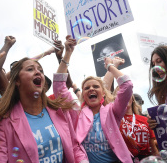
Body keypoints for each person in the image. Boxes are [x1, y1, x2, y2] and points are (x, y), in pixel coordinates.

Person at [53, 35, 134, 163]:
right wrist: (67, 53)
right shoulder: (77, 112)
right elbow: (59, 87)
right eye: (86, 88)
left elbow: (127, 85)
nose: (91, 89)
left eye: (96, 86)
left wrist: (110, 67)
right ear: (83, 95)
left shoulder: (113, 111)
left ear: (103, 93)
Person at [0, 57, 88, 163]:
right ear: (17, 81)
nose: (38, 72)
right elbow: (1, 159)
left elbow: (74, 147)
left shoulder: (60, 111)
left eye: (40, 70)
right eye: (30, 69)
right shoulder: (3, 121)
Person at [118, 93, 159, 162]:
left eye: (126, 93)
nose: (124, 96)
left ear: (132, 99)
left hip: (146, 160)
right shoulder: (115, 121)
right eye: (120, 94)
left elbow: (154, 150)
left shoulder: (145, 120)